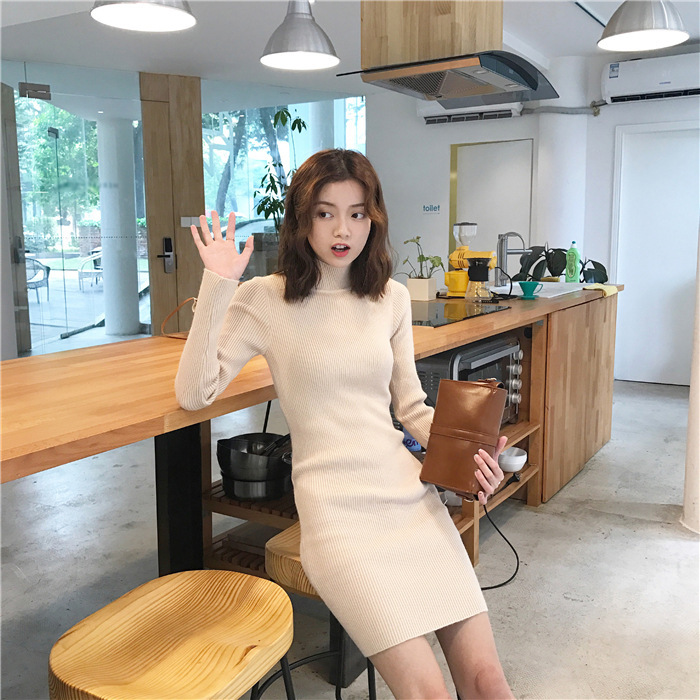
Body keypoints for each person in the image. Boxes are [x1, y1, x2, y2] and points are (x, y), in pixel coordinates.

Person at [176, 149, 514, 700]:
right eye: (325, 213)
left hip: (409, 498)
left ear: (373, 219)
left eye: (357, 214)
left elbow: (412, 409)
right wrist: (218, 282)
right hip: (337, 518)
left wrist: (470, 455)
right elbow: (195, 393)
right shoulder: (265, 298)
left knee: (487, 681)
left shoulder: (391, 298)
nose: (343, 230)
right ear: (302, 219)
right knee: (428, 693)